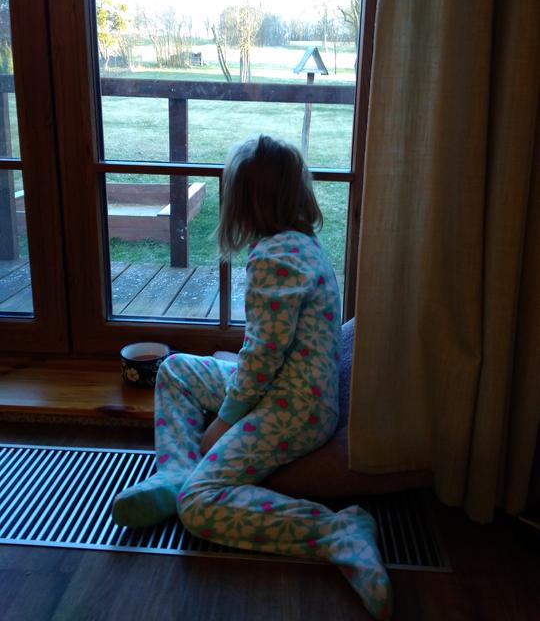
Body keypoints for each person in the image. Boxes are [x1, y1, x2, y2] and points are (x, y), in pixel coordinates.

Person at [112, 135, 392, 620]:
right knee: (174, 368)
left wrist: (224, 421)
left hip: (296, 410)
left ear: (241, 204)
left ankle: (337, 530)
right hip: (281, 388)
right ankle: (175, 473)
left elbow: (262, 359)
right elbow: (264, 358)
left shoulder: (276, 261)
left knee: (199, 507)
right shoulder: (299, 245)